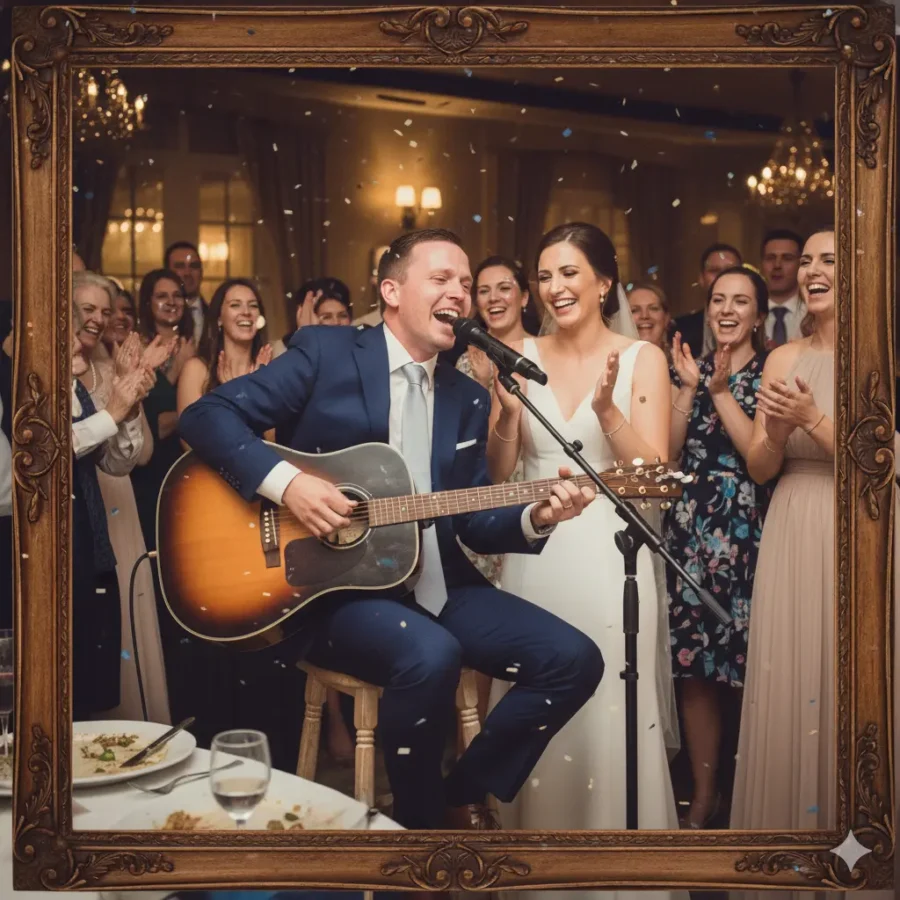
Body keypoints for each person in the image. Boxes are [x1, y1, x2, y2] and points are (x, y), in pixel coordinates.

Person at [178, 227, 604, 832]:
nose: (460, 292)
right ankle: (421, 835)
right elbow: (206, 415)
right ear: (392, 291)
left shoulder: (467, 394)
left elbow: (472, 521)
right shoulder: (326, 353)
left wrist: (536, 516)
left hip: (439, 586)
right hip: (331, 590)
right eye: (441, 279)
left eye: (465, 283)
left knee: (574, 659)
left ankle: (457, 796)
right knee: (431, 654)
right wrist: (288, 483)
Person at [485, 222, 683, 900]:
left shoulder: (642, 359)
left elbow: (654, 474)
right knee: (539, 710)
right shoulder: (517, 350)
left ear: (604, 282)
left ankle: (615, 879)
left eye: (569, 273)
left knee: (607, 713)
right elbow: (499, 473)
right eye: (545, 275)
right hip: (534, 557)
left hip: (610, 558)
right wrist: (507, 417)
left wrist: (605, 409)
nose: (554, 287)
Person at [730, 227, 838, 900]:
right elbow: (761, 469)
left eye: (830, 260)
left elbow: (880, 461)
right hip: (793, 522)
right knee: (793, 671)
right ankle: (788, 865)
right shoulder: (781, 358)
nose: (812, 270)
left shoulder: (880, 356)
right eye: (807, 260)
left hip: (861, 527)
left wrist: (815, 417)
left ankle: (858, 851)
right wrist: (774, 430)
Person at [665, 266, 771, 830]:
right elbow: (670, 455)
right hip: (689, 530)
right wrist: (687, 388)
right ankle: (703, 797)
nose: (728, 310)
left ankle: (749, 792)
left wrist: (721, 391)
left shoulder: (771, 371)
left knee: (747, 669)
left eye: (741, 301)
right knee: (695, 668)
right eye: (718, 300)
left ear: (759, 313)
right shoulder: (691, 369)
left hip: (747, 531)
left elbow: (758, 454)